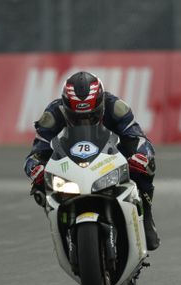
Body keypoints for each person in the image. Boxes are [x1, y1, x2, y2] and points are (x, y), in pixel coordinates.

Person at [23, 71, 159, 250]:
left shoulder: (115, 107)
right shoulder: (54, 113)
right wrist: (35, 168)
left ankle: (146, 216)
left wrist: (141, 155)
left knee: (145, 166)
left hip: (109, 157)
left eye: (91, 115)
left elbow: (139, 139)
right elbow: (36, 153)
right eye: (77, 117)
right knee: (40, 186)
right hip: (69, 163)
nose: (84, 120)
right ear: (66, 107)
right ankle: (61, 228)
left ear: (100, 104)